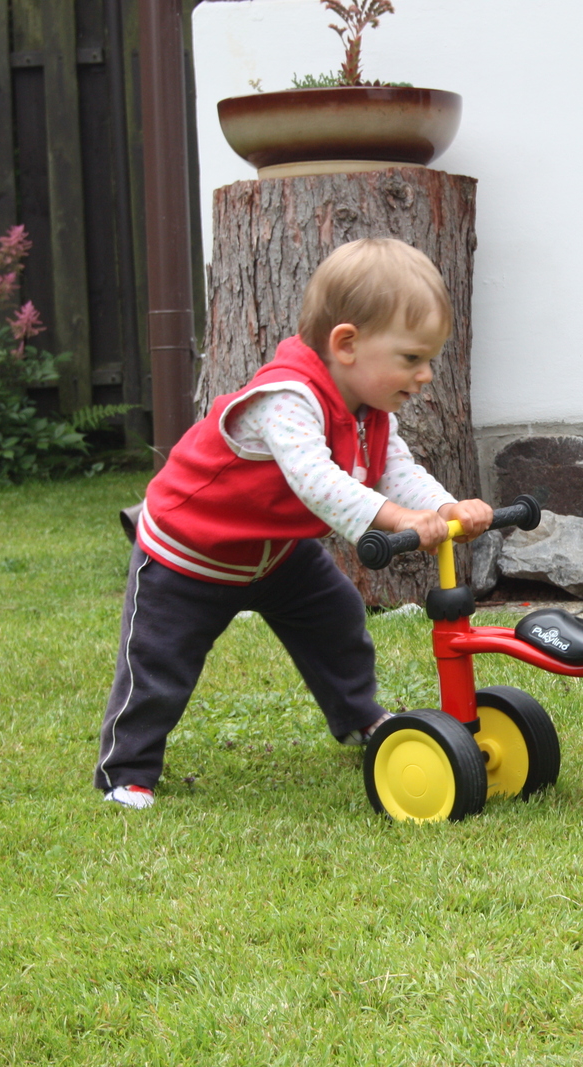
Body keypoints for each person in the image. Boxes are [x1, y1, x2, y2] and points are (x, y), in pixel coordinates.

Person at [95, 238, 492, 809]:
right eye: (411, 359)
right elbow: (317, 481)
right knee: (159, 662)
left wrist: (444, 508)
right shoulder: (286, 398)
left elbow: (396, 471)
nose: (426, 374)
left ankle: (359, 718)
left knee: (337, 617)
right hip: (191, 555)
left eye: (430, 359)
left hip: (276, 553)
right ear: (347, 344)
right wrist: (399, 519)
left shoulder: (370, 412)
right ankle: (126, 773)